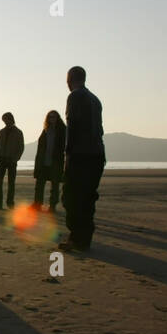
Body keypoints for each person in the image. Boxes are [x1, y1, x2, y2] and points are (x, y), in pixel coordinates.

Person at [60, 66, 104, 251]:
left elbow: (73, 126)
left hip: (80, 154)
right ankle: (84, 238)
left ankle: (76, 237)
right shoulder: (95, 99)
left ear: (70, 79)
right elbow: (99, 129)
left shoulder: (75, 96)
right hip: (97, 153)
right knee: (87, 198)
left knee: (71, 197)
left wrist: (67, 153)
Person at [33, 110, 66, 211]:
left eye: (54, 117)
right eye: (50, 117)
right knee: (39, 184)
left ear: (58, 118)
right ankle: (37, 204)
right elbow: (40, 147)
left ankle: (52, 206)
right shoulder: (46, 130)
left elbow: (66, 146)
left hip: (56, 162)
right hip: (44, 162)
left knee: (55, 185)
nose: (52, 119)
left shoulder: (63, 130)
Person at [0, 112, 25, 209]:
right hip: (1, 159)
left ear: (11, 119)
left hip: (12, 160)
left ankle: (10, 203)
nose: (5, 122)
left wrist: (15, 158)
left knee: (11, 183)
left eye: (6, 120)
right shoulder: (1, 132)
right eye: (4, 120)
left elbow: (21, 147)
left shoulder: (18, 132)